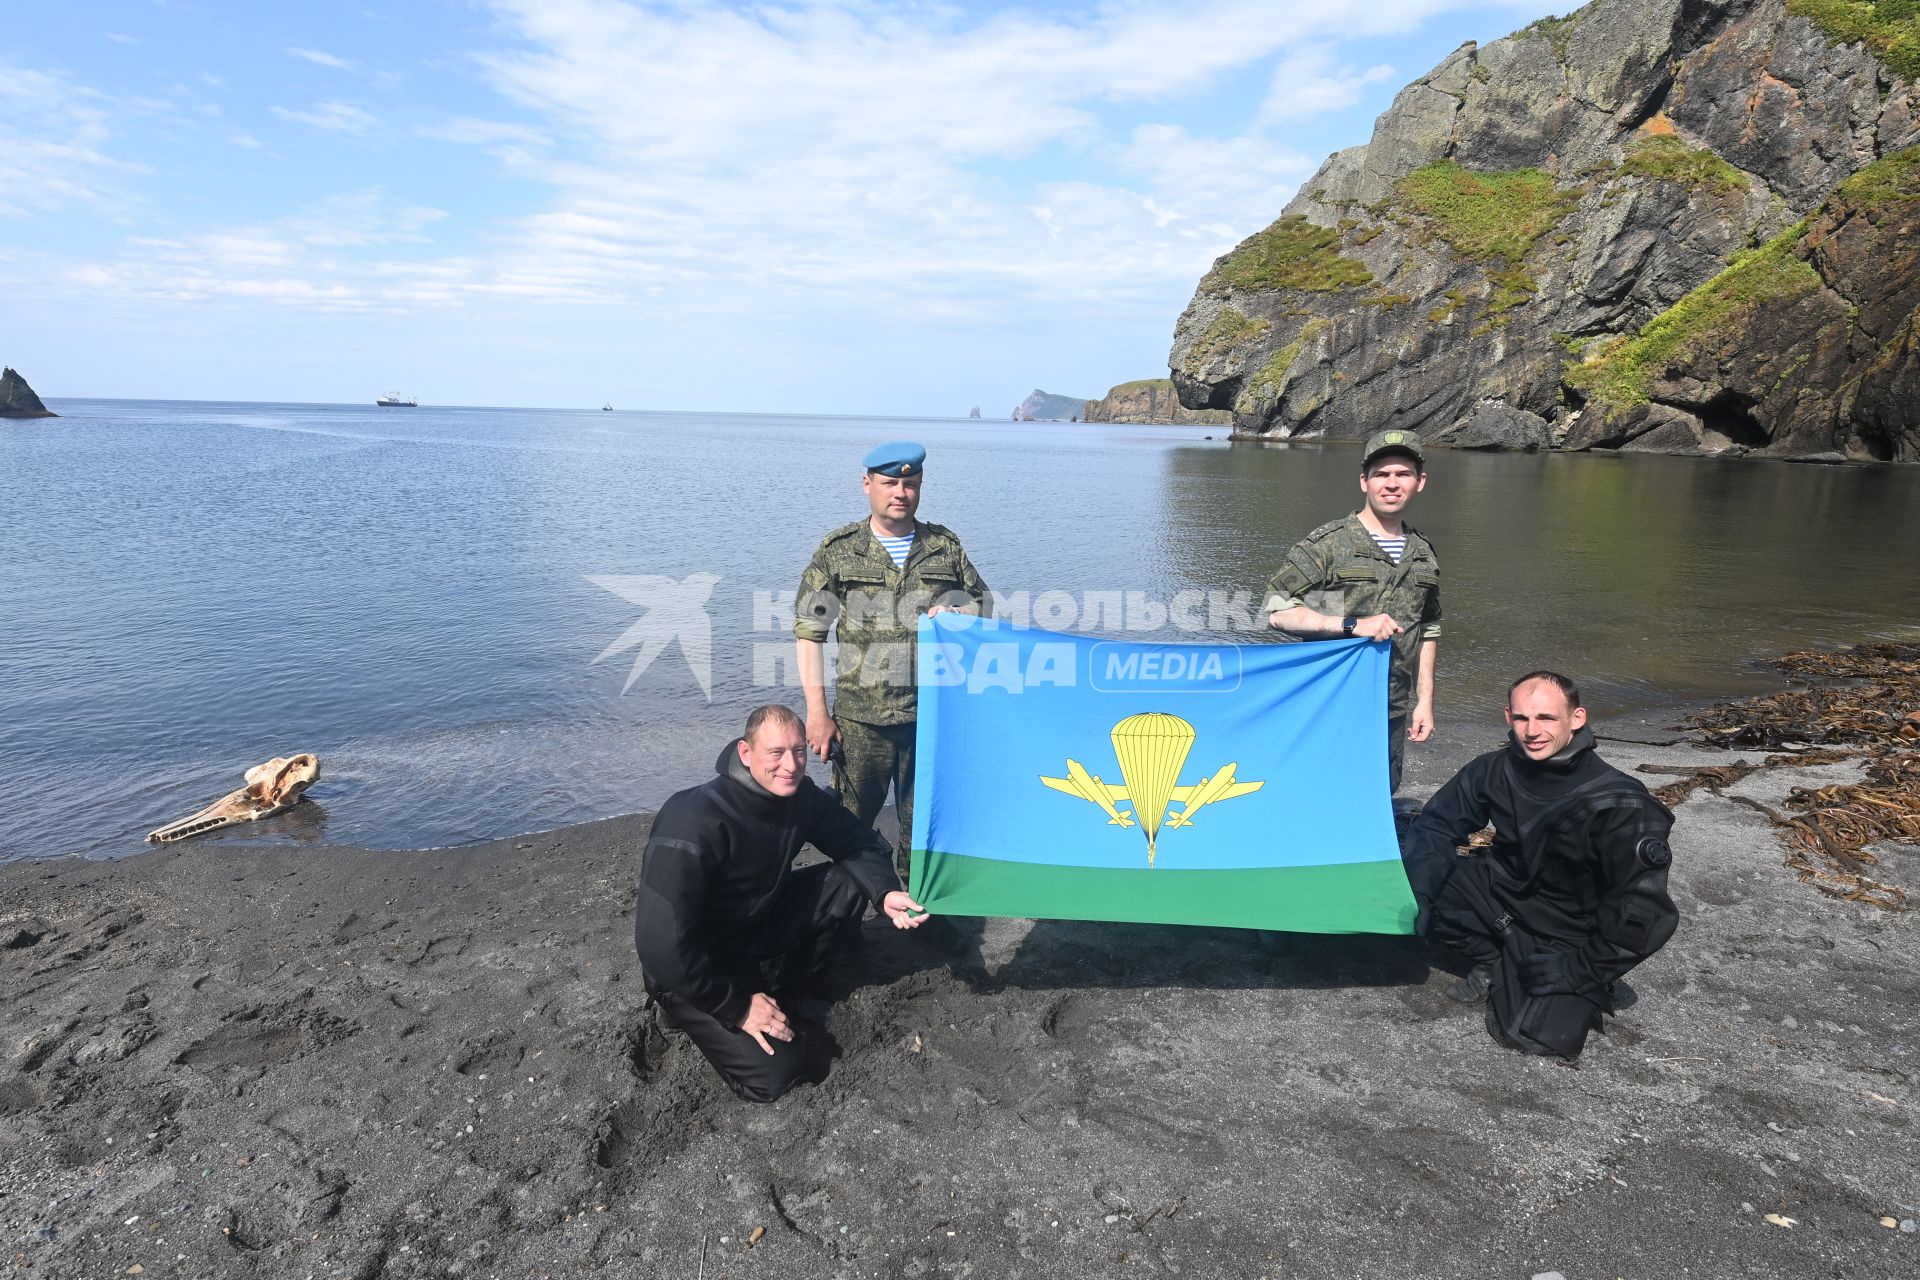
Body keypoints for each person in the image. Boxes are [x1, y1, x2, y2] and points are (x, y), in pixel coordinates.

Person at [632, 704, 927, 1103]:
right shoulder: (692, 819)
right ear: (745, 753)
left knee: (851, 880)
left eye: (799, 751)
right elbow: (659, 944)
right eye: (776, 753)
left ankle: (790, 988)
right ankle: (683, 1011)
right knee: (780, 1074)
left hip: (754, 925)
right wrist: (736, 1007)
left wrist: (885, 892)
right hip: (698, 961)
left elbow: (856, 840)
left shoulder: (797, 796)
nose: (790, 765)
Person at [1403, 672, 1680, 1060]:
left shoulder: (1621, 804)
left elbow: (1645, 912)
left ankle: (1526, 963)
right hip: (1503, 894)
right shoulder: (1494, 769)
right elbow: (1438, 825)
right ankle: (1491, 954)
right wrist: (1420, 893)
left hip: (1568, 930)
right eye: (1521, 719)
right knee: (1412, 863)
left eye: (1547, 718)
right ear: (1508, 717)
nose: (1532, 731)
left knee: (1534, 1036)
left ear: (1577, 718)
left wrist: (1579, 970)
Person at [794, 441, 992, 876]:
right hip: (861, 723)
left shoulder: (944, 547)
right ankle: (847, 913)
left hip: (931, 717)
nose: (900, 492)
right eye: (890, 483)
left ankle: (922, 914)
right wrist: (816, 714)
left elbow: (984, 607)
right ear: (868, 485)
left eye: (911, 484)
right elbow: (810, 633)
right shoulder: (838, 550)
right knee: (848, 825)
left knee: (926, 827)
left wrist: (959, 612)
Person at [1262, 429, 1441, 795]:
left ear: (1419, 482)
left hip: (1391, 705)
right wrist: (1350, 624)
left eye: (1403, 474)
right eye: (1381, 474)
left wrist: (1425, 701)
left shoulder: (1423, 553)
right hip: (1330, 702)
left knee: (1382, 790)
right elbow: (1277, 609)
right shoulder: (1328, 545)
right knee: (1320, 791)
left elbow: (1429, 628)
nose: (1392, 484)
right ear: (1364, 481)